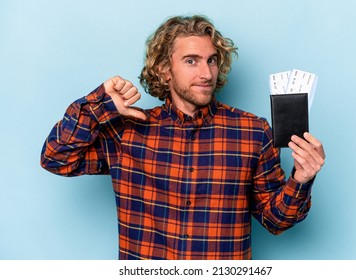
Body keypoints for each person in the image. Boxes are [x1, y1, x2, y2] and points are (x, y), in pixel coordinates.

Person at [41, 15, 325, 260]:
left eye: (212, 61)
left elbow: (276, 220)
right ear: (164, 70)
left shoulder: (253, 131)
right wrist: (99, 106)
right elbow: (56, 158)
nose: (206, 73)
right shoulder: (126, 132)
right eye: (192, 61)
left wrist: (300, 180)